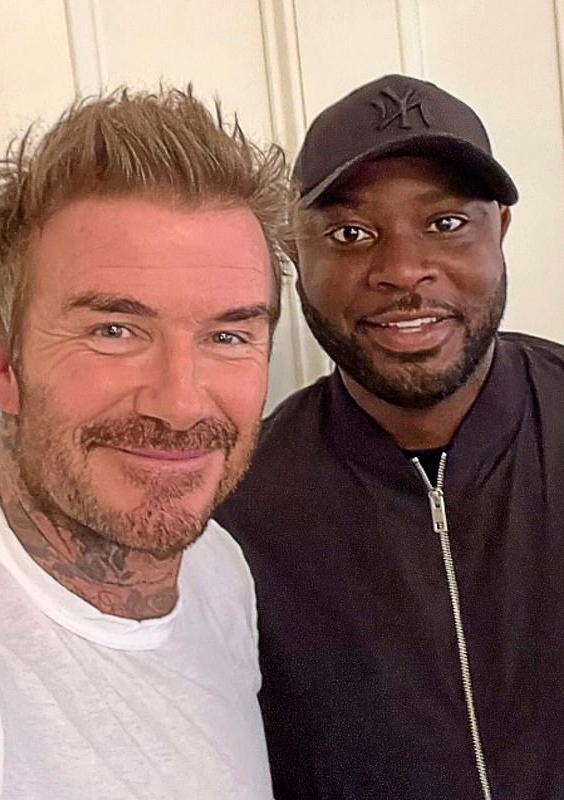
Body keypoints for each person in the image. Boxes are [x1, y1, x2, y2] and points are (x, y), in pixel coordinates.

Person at [0, 87, 289, 799]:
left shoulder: (218, 568)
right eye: (114, 330)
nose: (180, 405)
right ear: (3, 365)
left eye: (228, 335)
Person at [215, 73, 564, 800]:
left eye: (445, 223)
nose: (404, 271)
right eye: (351, 234)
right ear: (295, 254)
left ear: (500, 230)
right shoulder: (235, 514)